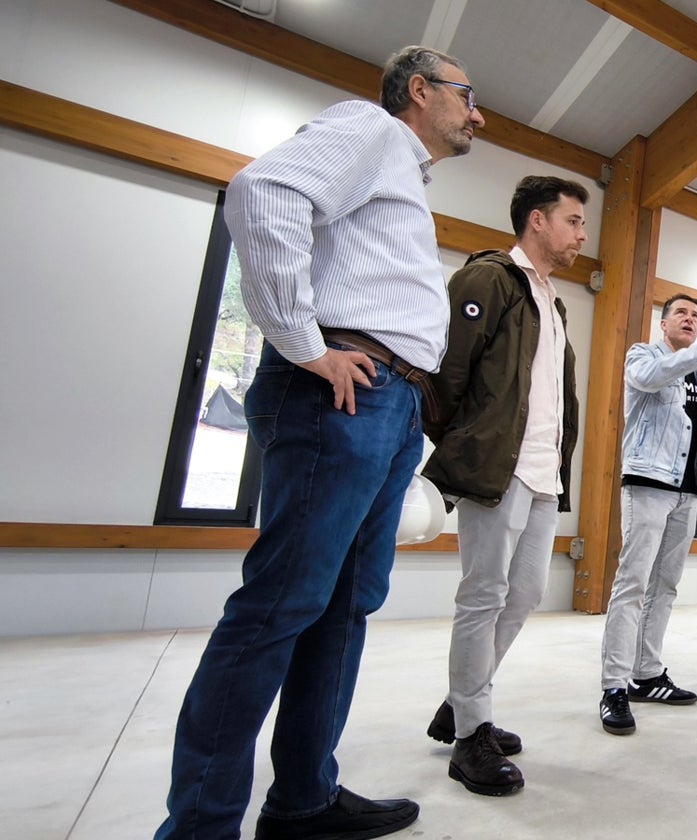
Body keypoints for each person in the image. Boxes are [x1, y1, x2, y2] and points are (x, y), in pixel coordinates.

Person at [155, 46, 484, 840]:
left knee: (343, 609)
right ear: (419, 90)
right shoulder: (369, 130)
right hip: (342, 393)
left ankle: (302, 798)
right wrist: (305, 344)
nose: (477, 114)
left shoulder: (400, 173)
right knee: (281, 607)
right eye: (467, 96)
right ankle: (199, 827)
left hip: (390, 403)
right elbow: (261, 191)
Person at [421, 175, 586, 795]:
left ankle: (459, 706)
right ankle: (471, 736)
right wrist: (466, 445)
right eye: (573, 220)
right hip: (499, 465)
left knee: (524, 595)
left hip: (543, 470)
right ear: (537, 222)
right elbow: (445, 372)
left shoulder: (555, 301)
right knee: (483, 594)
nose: (581, 233)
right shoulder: (489, 278)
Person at [598, 293, 697, 735]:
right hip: (649, 483)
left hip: (688, 486)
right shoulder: (644, 355)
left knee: (665, 586)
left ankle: (648, 674)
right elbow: (654, 379)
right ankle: (614, 685)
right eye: (682, 313)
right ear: (663, 323)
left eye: (696, 316)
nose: (691, 320)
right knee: (632, 583)